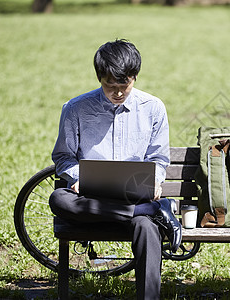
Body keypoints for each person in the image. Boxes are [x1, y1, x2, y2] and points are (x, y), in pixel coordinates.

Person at [49, 39, 182, 300]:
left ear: (135, 77)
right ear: (100, 78)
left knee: (146, 228)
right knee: (58, 199)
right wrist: (77, 178)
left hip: (130, 197)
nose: (118, 92)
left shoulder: (153, 108)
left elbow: (158, 158)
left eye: (125, 85)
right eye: (111, 86)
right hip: (91, 198)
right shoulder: (75, 109)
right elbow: (63, 157)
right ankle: (153, 211)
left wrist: (154, 181)